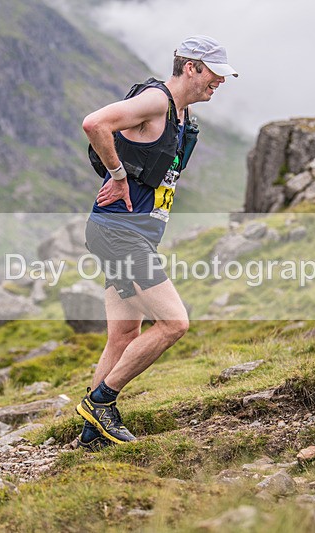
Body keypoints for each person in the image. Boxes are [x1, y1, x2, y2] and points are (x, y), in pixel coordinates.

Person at [74, 35, 239, 451]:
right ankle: (101, 403)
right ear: (191, 68)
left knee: (124, 334)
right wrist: (116, 176)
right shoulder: (156, 101)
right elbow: (95, 123)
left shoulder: (182, 116)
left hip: (127, 233)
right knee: (175, 323)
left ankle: (92, 437)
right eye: (215, 74)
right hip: (120, 233)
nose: (219, 82)